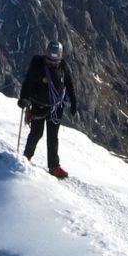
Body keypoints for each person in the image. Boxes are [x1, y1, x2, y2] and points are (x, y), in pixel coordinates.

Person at [18, 42, 78, 178]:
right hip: (39, 106)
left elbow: (69, 84)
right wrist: (24, 98)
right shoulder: (38, 67)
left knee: (52, 137)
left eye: (55, 60)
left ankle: (54, 166)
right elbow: (28, 83)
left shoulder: (63, 67)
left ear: (60, 58)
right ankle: (25, 158)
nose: (53, 63)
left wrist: (74, 103)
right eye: (50, 60)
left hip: (55, 108)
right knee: (36, 133)